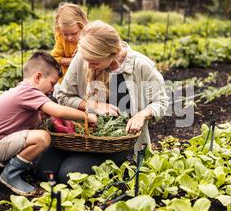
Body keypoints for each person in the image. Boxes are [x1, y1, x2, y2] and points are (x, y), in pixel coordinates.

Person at [34, 20, 169, 184]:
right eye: (86, 59)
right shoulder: (83, 57)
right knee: (44, 171)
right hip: (80, 135)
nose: (88, 65)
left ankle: (118, 163)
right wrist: (94, 106)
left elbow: (161, 102)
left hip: (117, 142)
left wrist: (141, 115)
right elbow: (63, 96)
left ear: (111, 54)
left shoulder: (141, 66)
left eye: (94, 62)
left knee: (66, 175)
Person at [0, 51, 97, 196]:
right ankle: (10, 175)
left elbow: (36, 119)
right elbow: (57, 111)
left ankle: (8, 161)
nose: (52, 89)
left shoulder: (22, 90)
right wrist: (86, 116)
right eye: (52, 83)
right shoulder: (29, 91)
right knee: (42, 137)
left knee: (39, 126)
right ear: (38, 77)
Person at [50, 3, 88, 84]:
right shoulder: (61, 38)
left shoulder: (90, 37)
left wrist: (83, 52)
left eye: (74, 33)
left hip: (86, 79)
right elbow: (55, 58)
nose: (69, 38)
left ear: (82, 26)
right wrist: (74, 60)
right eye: (65, 34)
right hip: (67, 80)